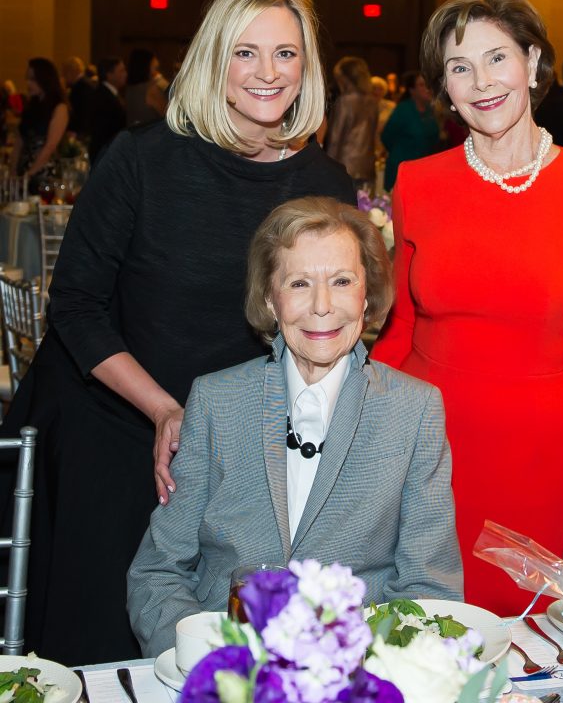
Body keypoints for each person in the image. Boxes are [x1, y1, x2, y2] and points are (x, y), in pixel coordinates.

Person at [0, 0, 355, 665]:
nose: (267, 73)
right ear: (212, 59)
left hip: (243, 446)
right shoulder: (142, 158)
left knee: (225, 648)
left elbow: (320, 325)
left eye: (285, 54)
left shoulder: (325, 184)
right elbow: (74, 305)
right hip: (115, 424)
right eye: (245, 53)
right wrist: (165, 411)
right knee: (103, 649)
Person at [372, 0, 563, 616]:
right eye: (460, 68)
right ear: (444, 87)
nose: (481, 83)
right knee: (428, 630)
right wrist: (352, 429)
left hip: (544, 459)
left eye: (496, 59)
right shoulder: (418, 182)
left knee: (534, 646)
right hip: (429, 453)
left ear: (534, 63)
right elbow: (400, 327)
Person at [128, 197, 463, 657]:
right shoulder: (215, 402)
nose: (322, 306)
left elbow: (430, 589)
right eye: (300, 283)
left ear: (367, 294)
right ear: (270, 297)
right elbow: (158, 573)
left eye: (342, 281)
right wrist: (204, 663)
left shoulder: (414, 410)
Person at [9, 57, 69, 193]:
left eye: (32, 79)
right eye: (27, 79)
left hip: (44, 174)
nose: (28, 83)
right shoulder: (31, 107)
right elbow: (19, 141)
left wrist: (29, 174)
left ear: (45, 79)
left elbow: (50, 146)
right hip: (23, 172)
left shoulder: (59, 107)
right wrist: (13, 171)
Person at [381, 70, 441, 192]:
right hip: (402, 168)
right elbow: (386, 136)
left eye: (428, 85)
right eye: (422, 85)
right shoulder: (403, 110)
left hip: (423, 169)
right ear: (412, 90)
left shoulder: (430, 110)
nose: (427, 89)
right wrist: (400, 152)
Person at [325, 56, 378, 187]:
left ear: (343, 78)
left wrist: (326, 168)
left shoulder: (345, 102)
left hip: (344, 167)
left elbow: (335, 139)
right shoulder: (373, 101)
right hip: (367, 166)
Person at [89, 55, 127, 163]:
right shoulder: (104, 97)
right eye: (121, 71)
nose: (125, 74)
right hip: (106, 153)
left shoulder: (110, 94)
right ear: (109, 75)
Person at [125, 49, 168, 125]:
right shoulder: (151, 89)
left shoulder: (128, 88)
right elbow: (167, 114)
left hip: (133, 132)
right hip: (151, 133)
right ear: (148, 66)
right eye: (155, 68)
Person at [62, 55, 95, 140]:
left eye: (64, 73)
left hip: (80, 133)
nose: (64, 77)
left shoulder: (81, 87)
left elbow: (82, 111)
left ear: (71, 71)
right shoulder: (85, 84)